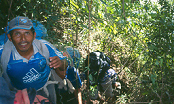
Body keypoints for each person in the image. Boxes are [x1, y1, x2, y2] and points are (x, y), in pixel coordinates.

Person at [0, 16, 68, 104]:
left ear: (34, 35)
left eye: (27, 33)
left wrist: (61, 63)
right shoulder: (4, 52)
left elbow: (65, 63)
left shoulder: (44, 47)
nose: (23, 39)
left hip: (45, 88)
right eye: (17, 34)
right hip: (18, 95)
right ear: (10, 37)